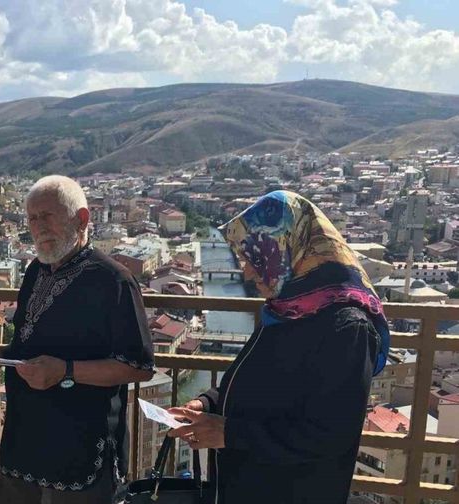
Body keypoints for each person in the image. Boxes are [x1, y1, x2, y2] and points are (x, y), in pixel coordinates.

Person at [167, 190, 389, 504]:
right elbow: (251, 380)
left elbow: (330, 435)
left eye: (256, 257)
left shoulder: (346, 328)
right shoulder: (285, 310)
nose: (246, 271)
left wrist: (230, 434)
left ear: (290, 249)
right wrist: (205, 403)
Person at [0, 175, 154, 504]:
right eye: (32, 218)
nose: (38, 226)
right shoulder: (34, 271)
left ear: (82, 218)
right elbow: (28, 347)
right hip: (23, 441)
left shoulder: (114, 280)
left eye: (48, 216)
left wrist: (66, 371)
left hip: (81, 450)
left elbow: (138, 367)